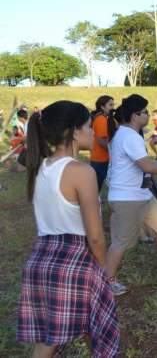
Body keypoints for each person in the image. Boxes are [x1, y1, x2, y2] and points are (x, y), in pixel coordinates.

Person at [17, 101, 119, 357]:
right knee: (99, 333)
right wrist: (104, 271)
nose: (93, 132)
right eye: (88, 126)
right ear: (74, 131)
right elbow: (95, 236)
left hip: (41, 259)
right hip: (74, 262)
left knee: (47, 338)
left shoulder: (40, 166)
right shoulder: (81, 171)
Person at [105, 94, 157, 296]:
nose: (147, 115)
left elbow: (144, 166)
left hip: (141, 193)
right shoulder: (128, 135)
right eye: (144, 112)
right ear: (135, 115)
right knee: (121, 240)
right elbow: (146, 165)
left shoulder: (129, 134)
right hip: (126, 197)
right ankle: (106, 281)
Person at [90, 95, 115, 192]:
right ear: (102, 107)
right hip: (100, 160)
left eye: (113, 105)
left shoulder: (105, 119)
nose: (113, 107)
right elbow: (102, 142)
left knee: (96, 189)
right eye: (110, 105)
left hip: (100, 159)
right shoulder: (101, 120)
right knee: (95, 190)